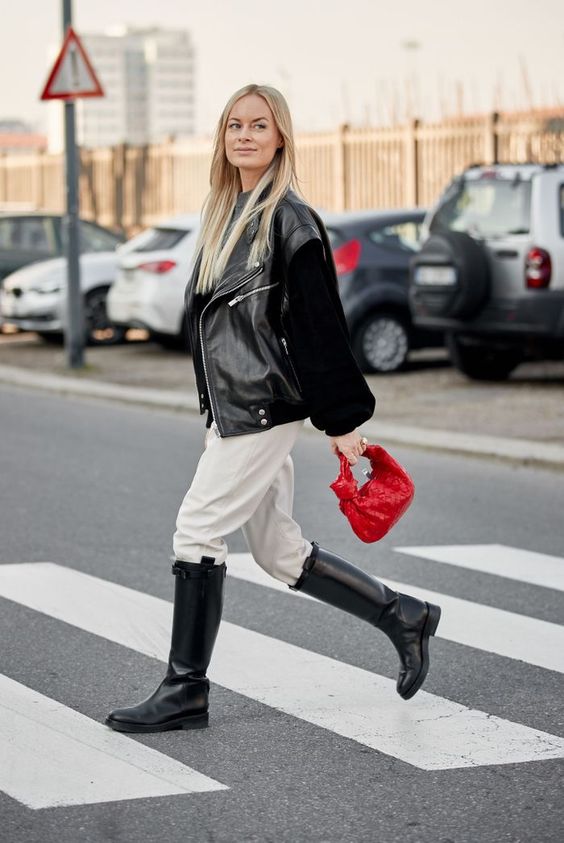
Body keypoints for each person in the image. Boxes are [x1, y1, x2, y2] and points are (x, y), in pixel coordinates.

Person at [105, 84, 441, 734]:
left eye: (259, 125)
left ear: (280, 136)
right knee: (277, 551)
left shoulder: (290, 220)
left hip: (261, 407)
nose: (245, 135)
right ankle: (403, 616)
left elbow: (319, 325)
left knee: (196, 532)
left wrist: (343, 421)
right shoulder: (225, 213)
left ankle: (185, 689)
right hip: (233, 409)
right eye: (235, 124)